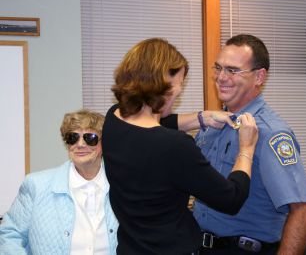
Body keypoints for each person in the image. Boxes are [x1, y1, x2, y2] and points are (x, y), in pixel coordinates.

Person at [101, 37, 259, 255]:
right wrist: (246, 149)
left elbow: (153, 124)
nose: (179, 91)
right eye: (180, 83)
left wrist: (202, 118)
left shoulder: (114, 119)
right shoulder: (174, 146)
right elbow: (231, 199)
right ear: (162, 81)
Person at [193, 34, 306, 255]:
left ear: (259, 77)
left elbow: (304, 212)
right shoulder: (212, 125)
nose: (221, 77)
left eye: (232, 70)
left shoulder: (270, 133)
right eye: (218, 68)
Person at [0, 110, 118, 255]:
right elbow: (10, 234)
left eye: (90, 138)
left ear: (104, 142)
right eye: (72, 137)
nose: (80, 144)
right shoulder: (36, 185)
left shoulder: (123, 186)